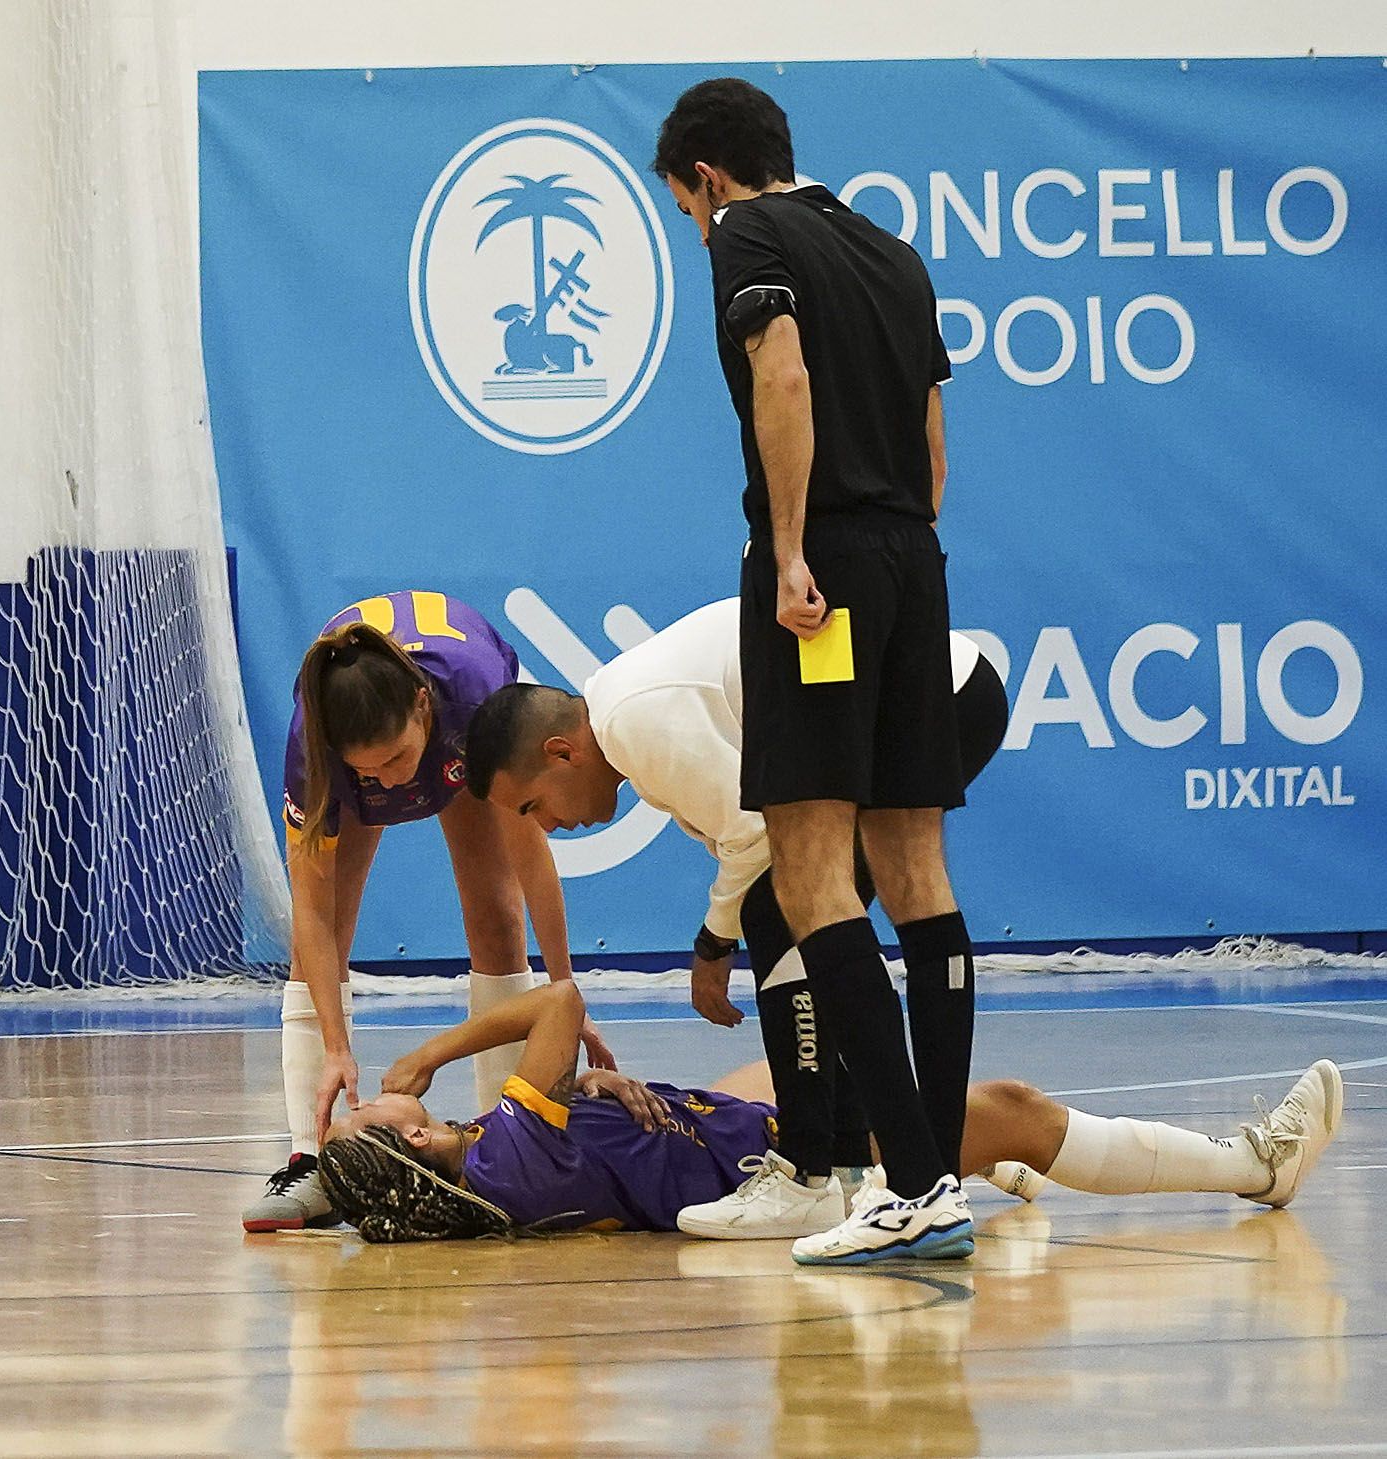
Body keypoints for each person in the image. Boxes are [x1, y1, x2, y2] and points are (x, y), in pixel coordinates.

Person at [654, 79, 978, 1263]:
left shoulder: (748, 231)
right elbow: (936, 442)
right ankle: (933, 1183)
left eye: (686, 209)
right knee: (912, 865)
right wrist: (893, 548)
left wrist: (792, 551)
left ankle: (901, 1180)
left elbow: (779, 378)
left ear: (705, 176)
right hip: (911, 558)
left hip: (819, 570)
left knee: (806, 872)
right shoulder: (892, 251)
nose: (697, 229)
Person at [461, 597, 1010, 1238]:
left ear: (561, 753)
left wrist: (714, 941)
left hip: (931, 694)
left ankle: (813, 1173)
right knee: (804, 926)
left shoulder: (632, 722)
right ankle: (856, 1167)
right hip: (937, 688)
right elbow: (748, 840)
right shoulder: (624, 722)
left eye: (532, 807)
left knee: (786, 914)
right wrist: (723, 932)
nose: (548, 827)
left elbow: (754, 838)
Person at [318, 980, 1343, 1244]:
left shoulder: (496, 1166)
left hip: (715, 1128)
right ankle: (1253, 1164)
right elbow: (558, 1001)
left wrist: (589, 1092)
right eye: (370, 1106)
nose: (374, 1084)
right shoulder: (503, 1146)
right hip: (763, 1163)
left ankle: (985, 1164)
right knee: (1013, 1106)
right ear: (409, 1137)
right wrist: (424, 1050)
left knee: (786, 1053)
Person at [244, 592, 596, 1234]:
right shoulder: (315, 749)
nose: (385, 780)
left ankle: (504, 1144)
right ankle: (308, 1157)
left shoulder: (478, 706)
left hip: (464, 729)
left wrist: (563, 990)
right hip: (371, 744)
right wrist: (335, 1048)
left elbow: (531, 859)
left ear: (422, 707)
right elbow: (313, 913)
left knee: (496, 919)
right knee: (319, 945)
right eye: (367, 769)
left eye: (397, 760)